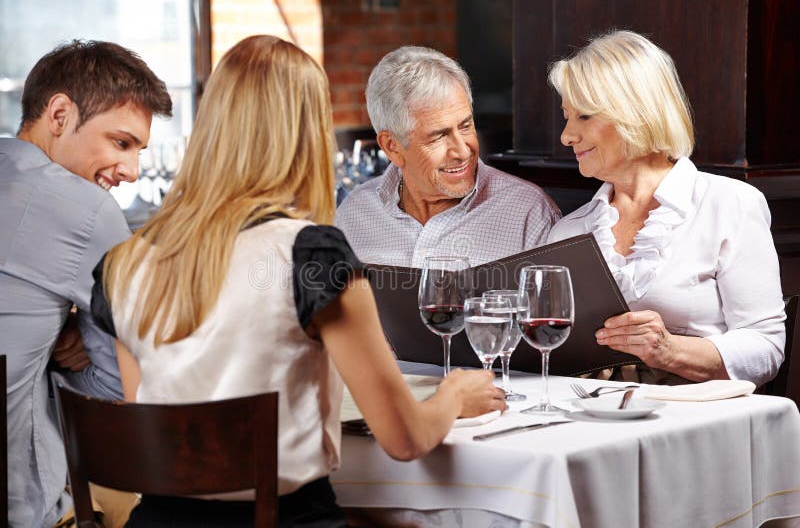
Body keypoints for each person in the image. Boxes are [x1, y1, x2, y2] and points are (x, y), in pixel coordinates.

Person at [91, 35, 506, 527]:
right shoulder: (313, 255)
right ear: (309, 129)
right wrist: (453, 396)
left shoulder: (121, 265)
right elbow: (405, 439)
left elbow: (155, 431)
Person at [547, 30, 785, 385]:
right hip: (589, 419)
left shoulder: (729, 204)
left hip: (695, 422)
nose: (567, 135)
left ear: (636, 113)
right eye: (567, 117)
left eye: (583, 117)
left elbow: (766, 347)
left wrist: (670, 351)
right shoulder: (568, 231)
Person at [0, 40, 172, 527]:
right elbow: (120, 392)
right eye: (121, 143)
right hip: (23, 507)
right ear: (58, 114)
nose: (132, 171)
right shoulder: (86, 210)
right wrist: (60, 345)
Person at [334, 46, 560, 268]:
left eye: (465, 126)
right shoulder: (353, 213)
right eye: (438, 136)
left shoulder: (529, 214)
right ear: (392, 147)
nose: (462, 151)